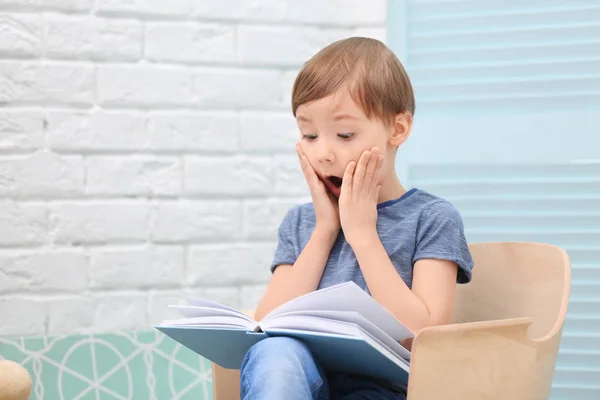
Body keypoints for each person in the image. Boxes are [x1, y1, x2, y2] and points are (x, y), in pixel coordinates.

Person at [240, 37, 474, 400]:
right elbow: (265, 325)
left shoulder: (431, 217)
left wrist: (362, 234)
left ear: (397, 129)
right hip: (302, 383)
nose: (324, 154)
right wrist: (325, 229)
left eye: (345, 134)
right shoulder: (301, 223)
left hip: (385, 390)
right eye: (309, 135)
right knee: (273, 353)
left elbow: (424, 340)